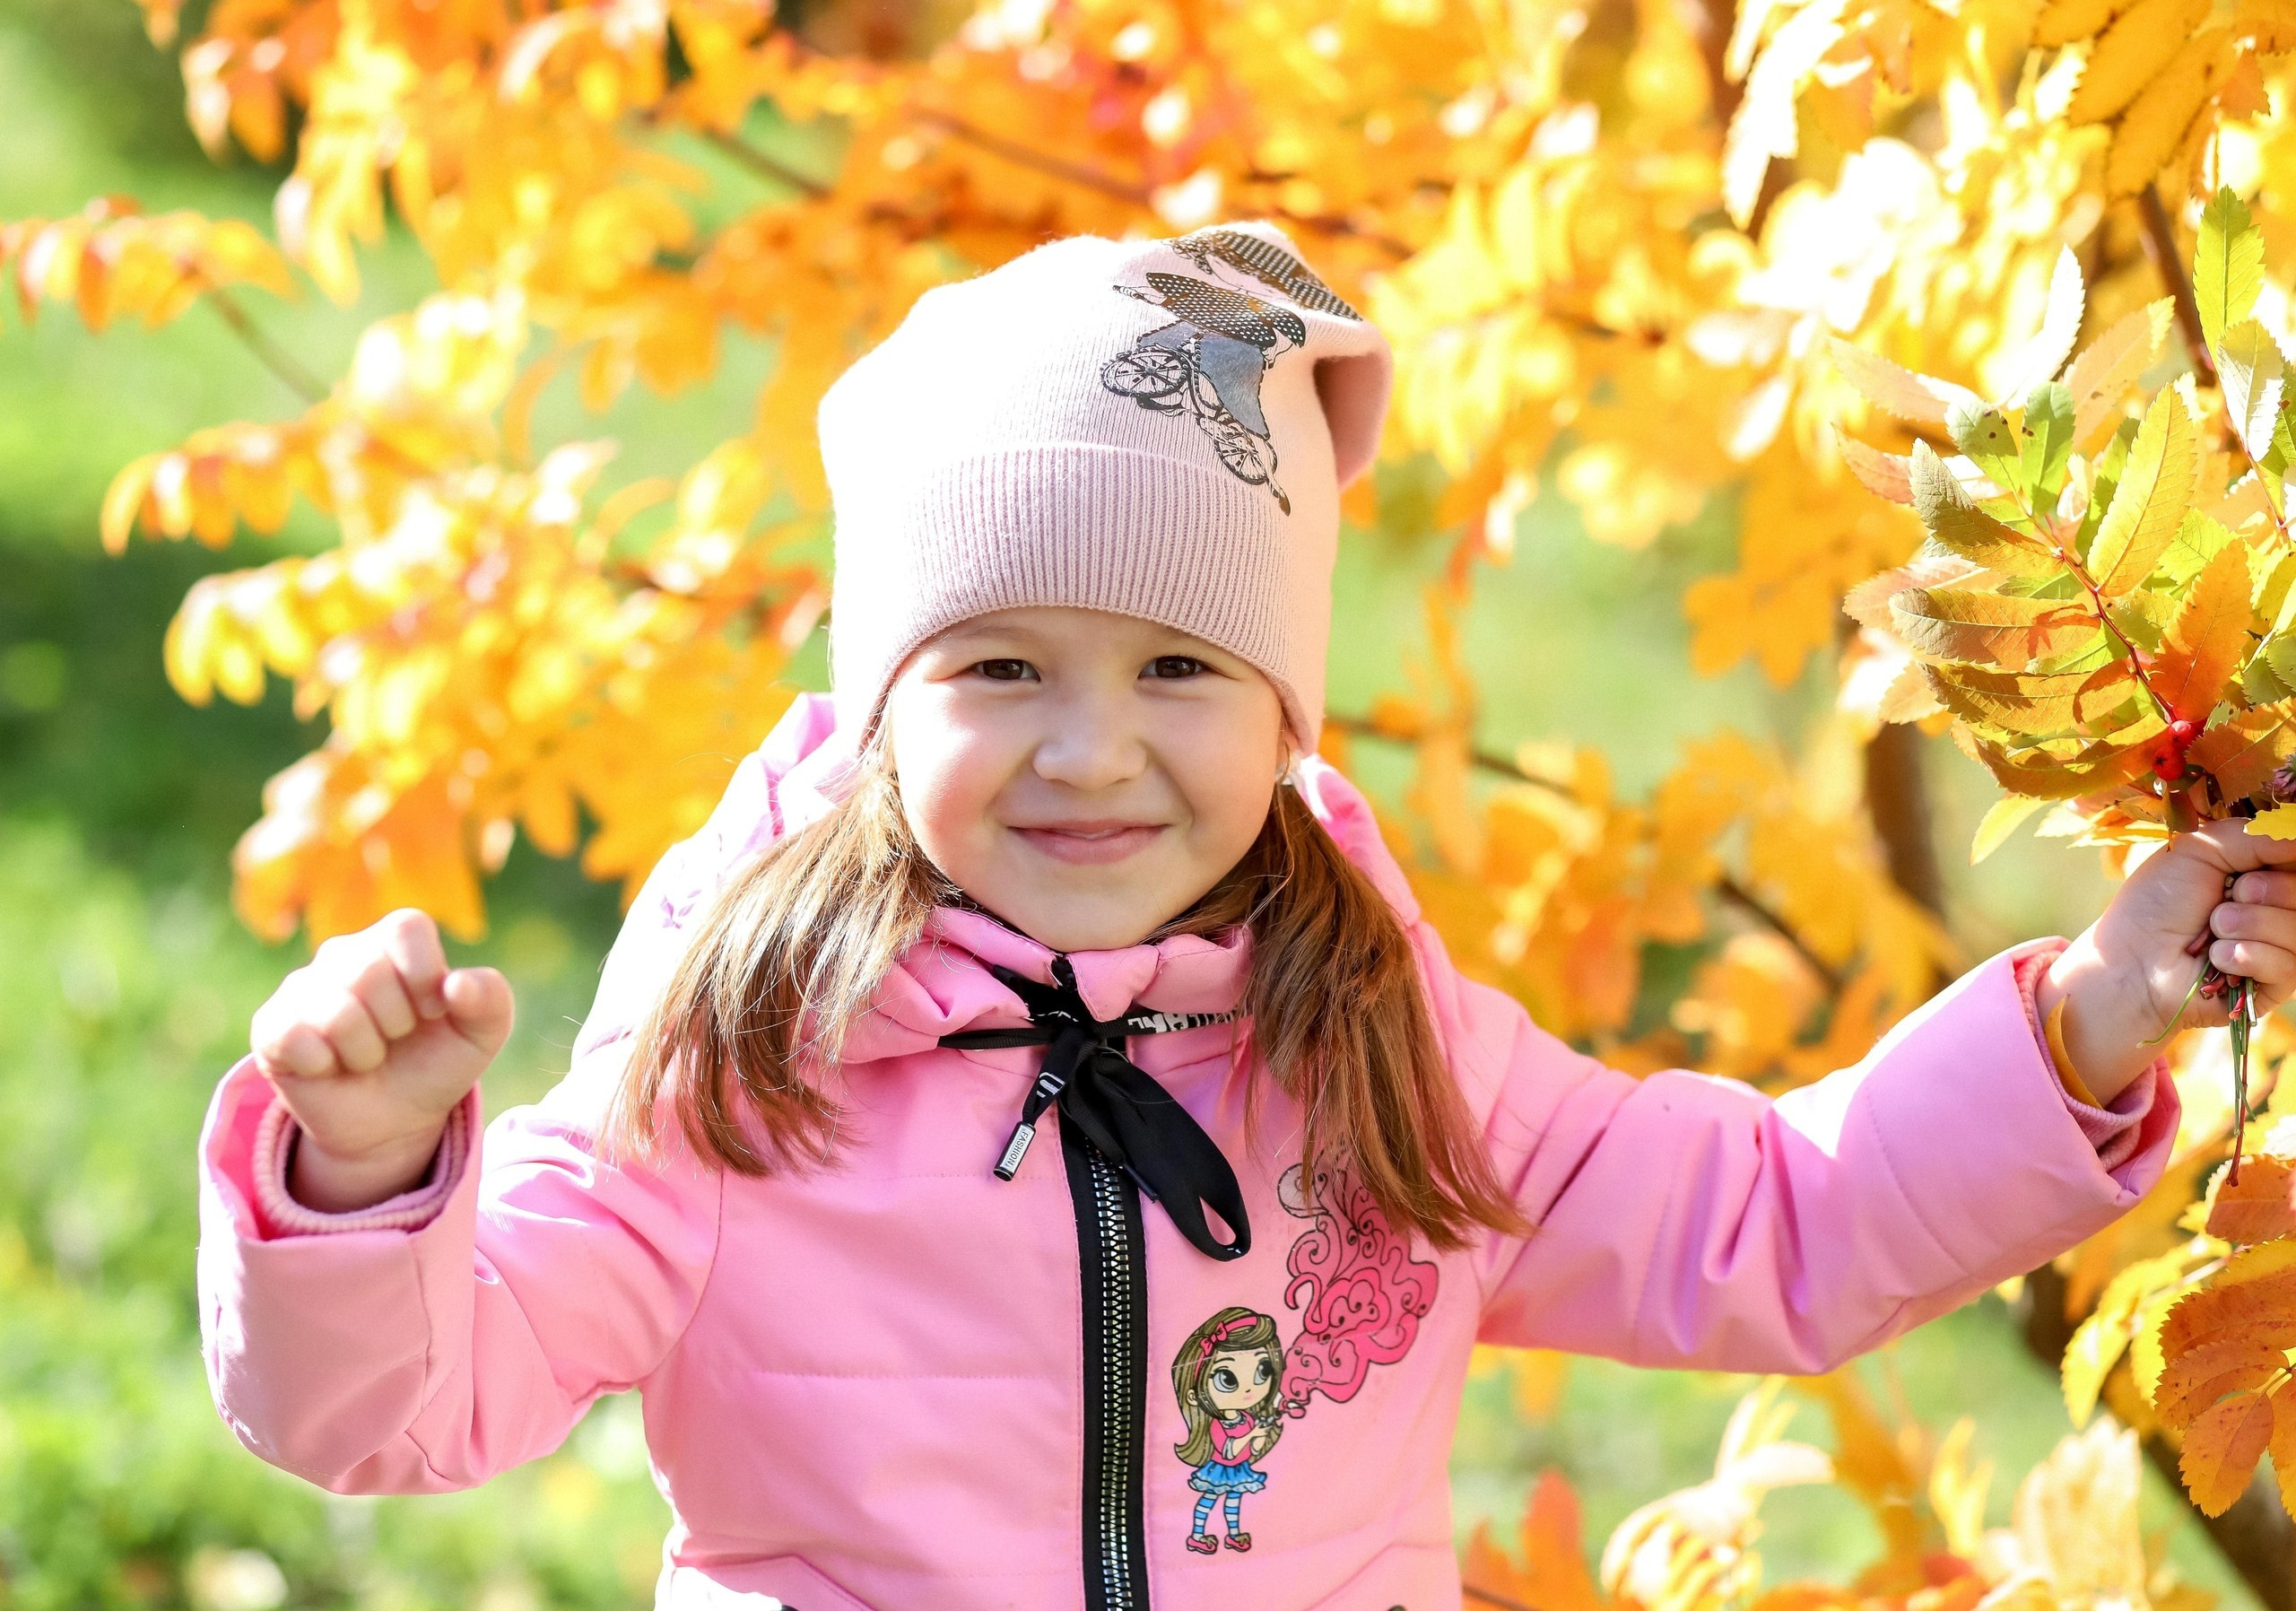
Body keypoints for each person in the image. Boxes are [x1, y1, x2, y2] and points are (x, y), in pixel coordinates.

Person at [197, 222, 2295, 1611]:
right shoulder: (736, 1051)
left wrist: (2091, 1011)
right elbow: (393, 1407)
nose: (1091, 753)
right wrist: (364, 1180)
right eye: (998, 667)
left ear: (1284, 707)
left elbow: (1766, 1220)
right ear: (875, 697)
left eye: (1179, 669)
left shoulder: (1369, 1030)